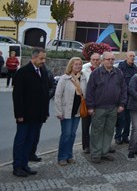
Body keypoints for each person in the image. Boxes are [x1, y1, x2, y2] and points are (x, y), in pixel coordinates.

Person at [11, 48, 50, 177]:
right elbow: (17, 96)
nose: (43, 61)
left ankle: (24, 164)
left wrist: (45, 112)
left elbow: (45, 92)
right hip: (25, 115)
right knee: (21, 141)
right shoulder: (23, 72)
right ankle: (17, 166)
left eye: (44, 58)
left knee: (30, 140)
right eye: (41, 58)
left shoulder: (43, 71)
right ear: (33, 58)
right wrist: (19, 114)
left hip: (38, 115)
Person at [86, 51, 127, 164]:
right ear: (103, 60)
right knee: (97, 131)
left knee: (109, 131)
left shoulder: (118, 73)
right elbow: (90, 91)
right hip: (99, 107)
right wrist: (90, 106)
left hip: (113, 107)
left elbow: (123, 89)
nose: (110, 61)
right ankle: (96, 154)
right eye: (108, 59)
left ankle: (104, 152)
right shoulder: (96, 73)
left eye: (112, 59)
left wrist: (122, 104)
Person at [54, 57, 86, 166]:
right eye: (76, 64)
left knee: (72, 135)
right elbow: (58, 96)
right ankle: (62, 157)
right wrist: (59, 111)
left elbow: (84, 94)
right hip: (66, 111)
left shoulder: (83, 78)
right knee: (66, 134)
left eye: (80, 64)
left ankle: (69, 155)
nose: (78, 66)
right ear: (71, 66)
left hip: (77, 111)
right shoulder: (65, 78)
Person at [115, 51, 137, 144]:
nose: (132, 57)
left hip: (131, 97)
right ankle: (118, 136)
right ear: (126, 57)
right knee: (121, 117)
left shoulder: (135, 68)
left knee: (128, 118)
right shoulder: (121, 67)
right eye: (130, 56)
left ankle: (125, 136)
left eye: (133, 56)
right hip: (122, 96)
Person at [81, 52, 101, 154]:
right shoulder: (84, 70)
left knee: (97, 126)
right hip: (86, 101)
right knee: (85, 126)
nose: (95, 61)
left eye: (97, 60)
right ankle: (86, 146)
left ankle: (96, 145)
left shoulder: (103, 70)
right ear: (90, 60)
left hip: (99, 102)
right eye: (94, 60)